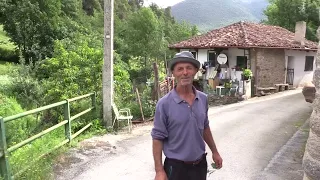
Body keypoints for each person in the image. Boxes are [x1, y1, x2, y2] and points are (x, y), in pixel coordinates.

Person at [151, 51, 223, 180]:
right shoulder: (164, 104)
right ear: (173, 73)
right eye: (180, 69)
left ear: (195, 71)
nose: (185, 72)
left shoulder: (202, 99)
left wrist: (215, 152)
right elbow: (157, 138)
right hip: (176, 167)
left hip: (200, 165)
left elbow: (204, 127)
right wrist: (159, 171)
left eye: (189, 68)